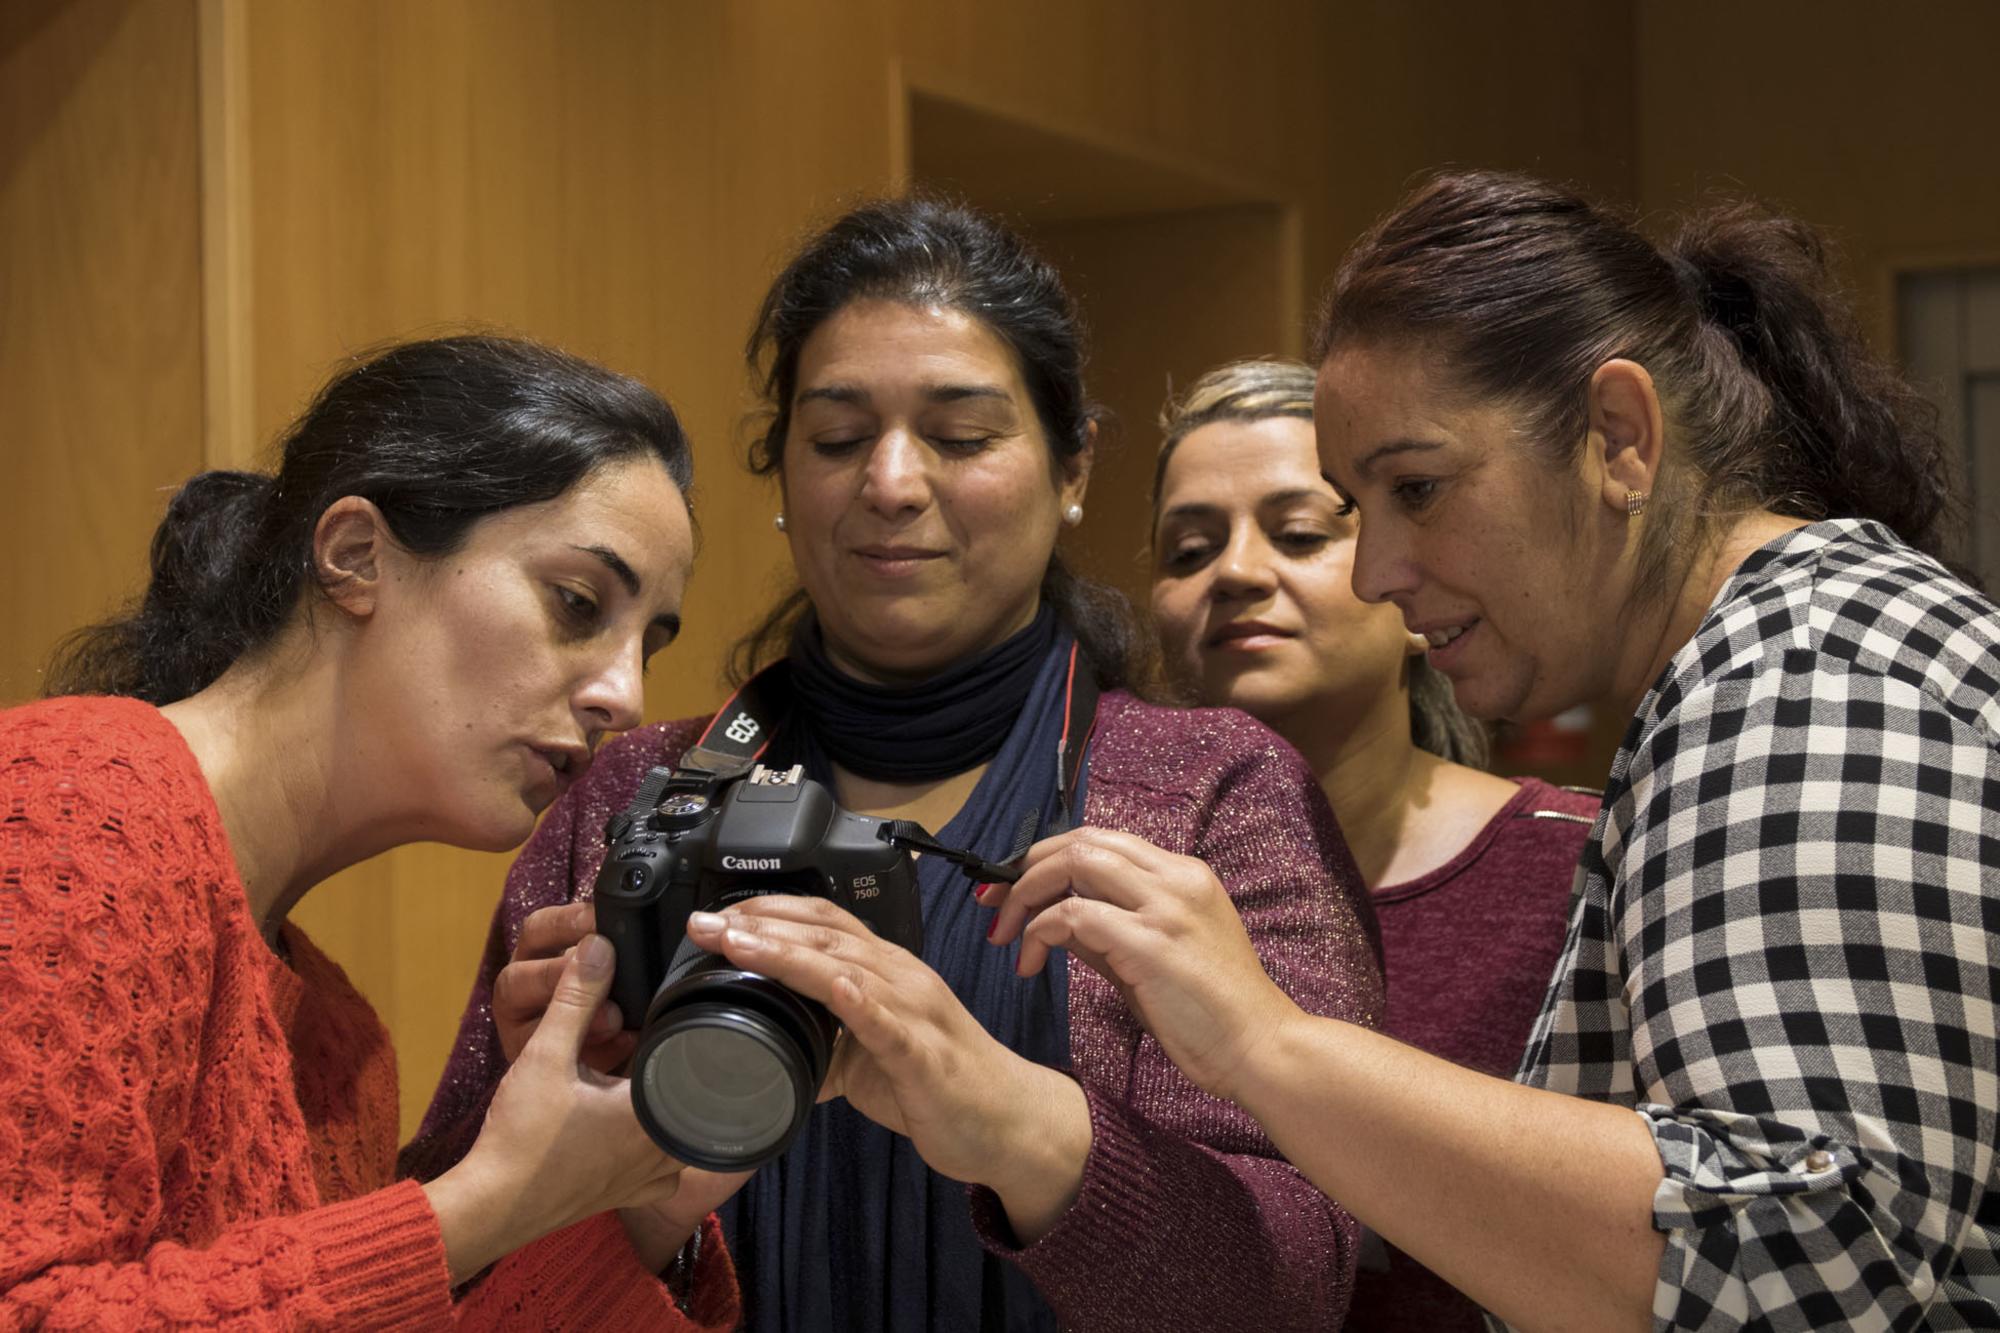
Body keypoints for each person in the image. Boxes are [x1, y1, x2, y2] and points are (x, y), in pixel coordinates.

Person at [991, 170, 2000, 1330]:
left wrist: (1266, 1044)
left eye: (1416, 488)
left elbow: (1789, 1273)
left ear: (1619, 439)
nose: (1375, 570)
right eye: (1360, 507)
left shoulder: (1797, 681)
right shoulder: (1767, 667)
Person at [411, 197, 1385, 1333]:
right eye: (834, 439)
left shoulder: (1213, 792)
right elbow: (444, 1279)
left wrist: (1010, 1125)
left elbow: (1298, 1286)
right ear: (779, 475)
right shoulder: (629, 797)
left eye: (960, 436)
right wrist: (607, 1183)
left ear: (1073, 466)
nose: (888, 482)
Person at [2, 335, 740, 1328]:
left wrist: (629, 1193)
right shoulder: (75, 800)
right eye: (576, 604)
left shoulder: (343, 1046)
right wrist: (484, 1198)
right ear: (357, 555)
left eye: (645, 642)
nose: (623, 692)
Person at [1148, 356, 1598, 1330]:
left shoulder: (1577, 864)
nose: (1232, 573)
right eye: (1187, 550)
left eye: (1299, 533)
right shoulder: (1108, 880)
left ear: (1405, 591)